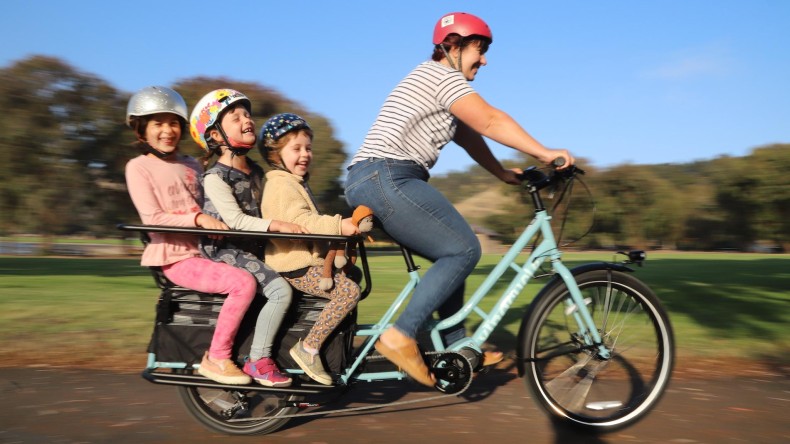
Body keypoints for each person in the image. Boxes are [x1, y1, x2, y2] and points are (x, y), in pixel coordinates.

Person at [343, 12, 575, 386]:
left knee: (450, 250)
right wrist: (545, 153)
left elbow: (469, 134)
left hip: (379, 176)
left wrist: (502, 173)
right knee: (463, 249)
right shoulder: (441, 77)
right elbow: (489, 120)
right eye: (478, 49)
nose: (484, 60)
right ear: (452, 45)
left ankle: (456, 343)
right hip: (386, 174)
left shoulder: (440, 87)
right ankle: (401, 335)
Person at [124, 86, 257, 385]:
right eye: (157, 123)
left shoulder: (192, 165)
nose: (167, 130)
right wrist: (199, 219)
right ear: (141, 129)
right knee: (242, 283)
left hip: (207, 251)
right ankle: (217, 358)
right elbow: (153, 218)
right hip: (176, 258)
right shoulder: (139, 167)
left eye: (172, 123)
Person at [189, 89, 309, 387]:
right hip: (227, 251)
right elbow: (236, 221)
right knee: (281, 291)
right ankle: (259, 359)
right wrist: (280, 226)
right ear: (215, 136)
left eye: (247, 114)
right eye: (235, 117)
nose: (247, 121)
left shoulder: (256, 171)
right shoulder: (215, 177)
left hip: (253, 250)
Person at [259, 113, 362, 386]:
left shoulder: (293, 181)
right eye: (296, 148)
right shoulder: (280, 185)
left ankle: (336, 347)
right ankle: (309, 348)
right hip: (294, 265)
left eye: (308, 148)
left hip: (305, 262)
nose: (305, 154)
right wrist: (341, 225)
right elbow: (301, 222)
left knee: (355, 276)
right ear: (274, 154)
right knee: (349, 292)